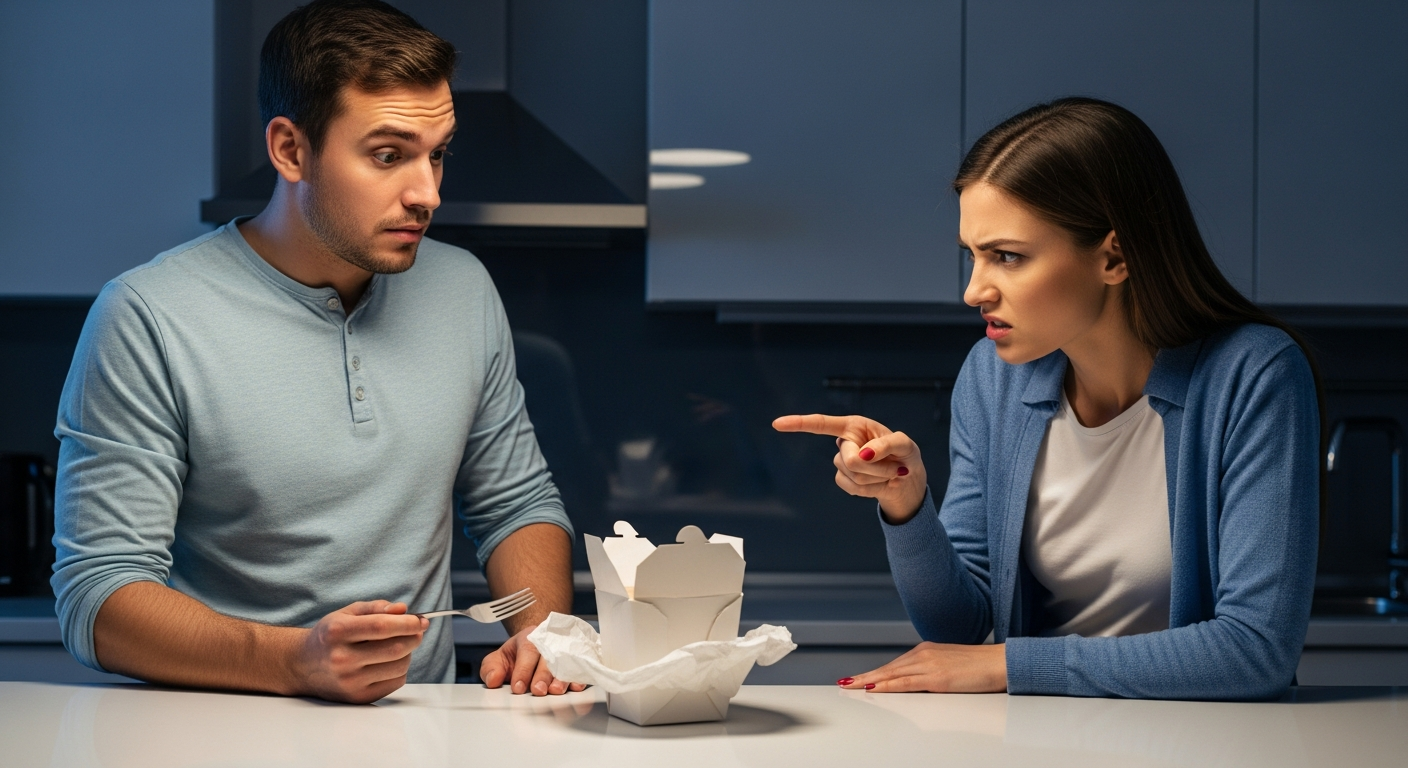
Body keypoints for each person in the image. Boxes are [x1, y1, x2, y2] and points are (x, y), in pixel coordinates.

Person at [51, 0, 582, 704]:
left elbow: (516, 504)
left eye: (438, 154)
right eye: (388, 155)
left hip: (418, 730)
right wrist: (292, 661)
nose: (427, 193)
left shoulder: (462, 289)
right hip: (218, 730)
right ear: (290, 149)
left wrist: (541, 634)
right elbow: (99, 594)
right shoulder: (148, 315)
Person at [775, 97, 1321, 699]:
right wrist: (907, 503)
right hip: (1040, 740)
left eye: (1007, 256)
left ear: (1115, 256)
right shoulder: (994, 377)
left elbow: (1255, 650)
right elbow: (959, 626)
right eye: (973, 256)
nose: (974, 291)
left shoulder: (1253, 374)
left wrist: (1010, 666)